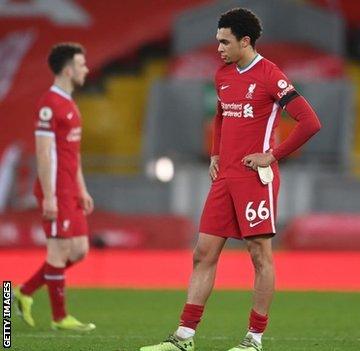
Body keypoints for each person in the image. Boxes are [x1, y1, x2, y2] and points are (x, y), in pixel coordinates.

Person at [140, 8, 321, 351]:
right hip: (226, 177)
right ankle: (184, 337)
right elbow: (221, 116)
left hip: (256, 178)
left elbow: (310, 122)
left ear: (245, 41)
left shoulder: (271, 75)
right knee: (203, 252)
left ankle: (254, 339)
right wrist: (215, 155)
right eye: (217, 41)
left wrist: (273, 155)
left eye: (225, 42)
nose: (219, 48)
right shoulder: (222, 75)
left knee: (259, 256)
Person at [13, 42, 96, 332]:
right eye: (82, 64)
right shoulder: (49, 104)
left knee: (80, 250)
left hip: (71, 188)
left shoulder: (70, 103)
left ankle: (23, 292)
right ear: (69, 69)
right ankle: (60, 318)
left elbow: (74, 153)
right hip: (56, 189)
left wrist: (82, 188)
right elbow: (43, 152)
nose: (86, 69)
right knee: (59, 252)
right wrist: (49, 196)